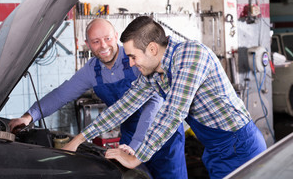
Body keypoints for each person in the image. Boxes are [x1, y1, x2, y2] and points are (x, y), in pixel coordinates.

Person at [64, 16, 267, 179]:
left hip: (240, 145)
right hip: (214, 149)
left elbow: (173, 112)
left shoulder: (191, 56)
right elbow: (123, 106)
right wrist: (80, 139)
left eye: (133, 56)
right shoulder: (154, 72)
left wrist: (137, 158)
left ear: (152, 49)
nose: (131, 63)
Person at [8, 18, 187, 179]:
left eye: (108, 38)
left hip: (164, 133)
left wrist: (136, 146)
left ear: (116, 36)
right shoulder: (92, 71)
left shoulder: (136, 59)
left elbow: (153, 103)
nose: (103, 46)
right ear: (87, 44)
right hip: (129, 133)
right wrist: (29, 116)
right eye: (96, 41)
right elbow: (62, 94)